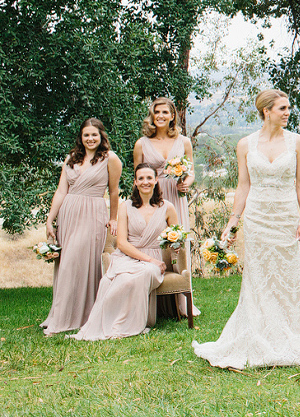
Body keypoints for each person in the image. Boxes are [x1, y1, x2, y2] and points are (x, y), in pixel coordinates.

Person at [192, 89, 300, 368]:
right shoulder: (245, 144)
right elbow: (243, 184)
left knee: (289, 274)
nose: (287, 112)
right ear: (266, 111)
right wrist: (234, 219)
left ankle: (294, 333)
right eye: (282, 108)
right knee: (259, 276)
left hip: (285, 215)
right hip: (258, 216)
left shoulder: (298, 142)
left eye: (288, 108)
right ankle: (258, 332)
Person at [72, 163, 177, 340]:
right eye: (141, 178)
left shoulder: (167, 207)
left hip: (154, 258)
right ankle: (110, 322)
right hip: (129, 256)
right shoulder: (126, 206)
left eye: (149, 178)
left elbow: (176, 235)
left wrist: (175, 247)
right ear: (135, 182)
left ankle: (127, 323)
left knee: (141, 274)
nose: (145, 182)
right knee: (113, 280)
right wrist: (150, 261)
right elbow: (121, 243)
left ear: (156, 180)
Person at [41, 119, 123, 335]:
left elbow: (113, 191)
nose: (90, 139)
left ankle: (83, 315)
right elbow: (61, 191)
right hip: (68, 213)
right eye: (86, 135)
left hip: (92, 213)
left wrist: (113, 218)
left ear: (101, 136)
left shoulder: (110, 159)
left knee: (78, 262)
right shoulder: (71, 159)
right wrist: (50, 219)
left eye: (94, 135)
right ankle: (61, 315)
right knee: (66, 262)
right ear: (81, 137)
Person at [134, 96, 197, 316]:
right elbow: (137, 175)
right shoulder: (142, 143)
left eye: (165, 112)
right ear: (152, 116)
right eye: (156, 112)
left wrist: (186, 184)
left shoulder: (184, 141)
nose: (160, 116)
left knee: (176, 243)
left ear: (172, 116)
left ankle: (181, 301)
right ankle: (155, 302)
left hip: (175, 196)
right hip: (152, 197)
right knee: (155, 243)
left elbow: (191, 172)